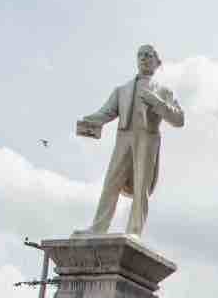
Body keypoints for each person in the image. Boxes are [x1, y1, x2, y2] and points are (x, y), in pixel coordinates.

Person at [76, 43, 185, 237]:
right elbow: (105, 113)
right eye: (140, 55)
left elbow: (179, 119)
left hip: (147, 138)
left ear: (157, 62)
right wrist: (89, 120)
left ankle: (134, 231)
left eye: (148, 55)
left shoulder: (163, 91)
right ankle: (98, 228)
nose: (143, 58)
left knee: (141, 186)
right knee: (111, 183)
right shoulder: (122, 90)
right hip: (124, 137)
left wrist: (157, 103)